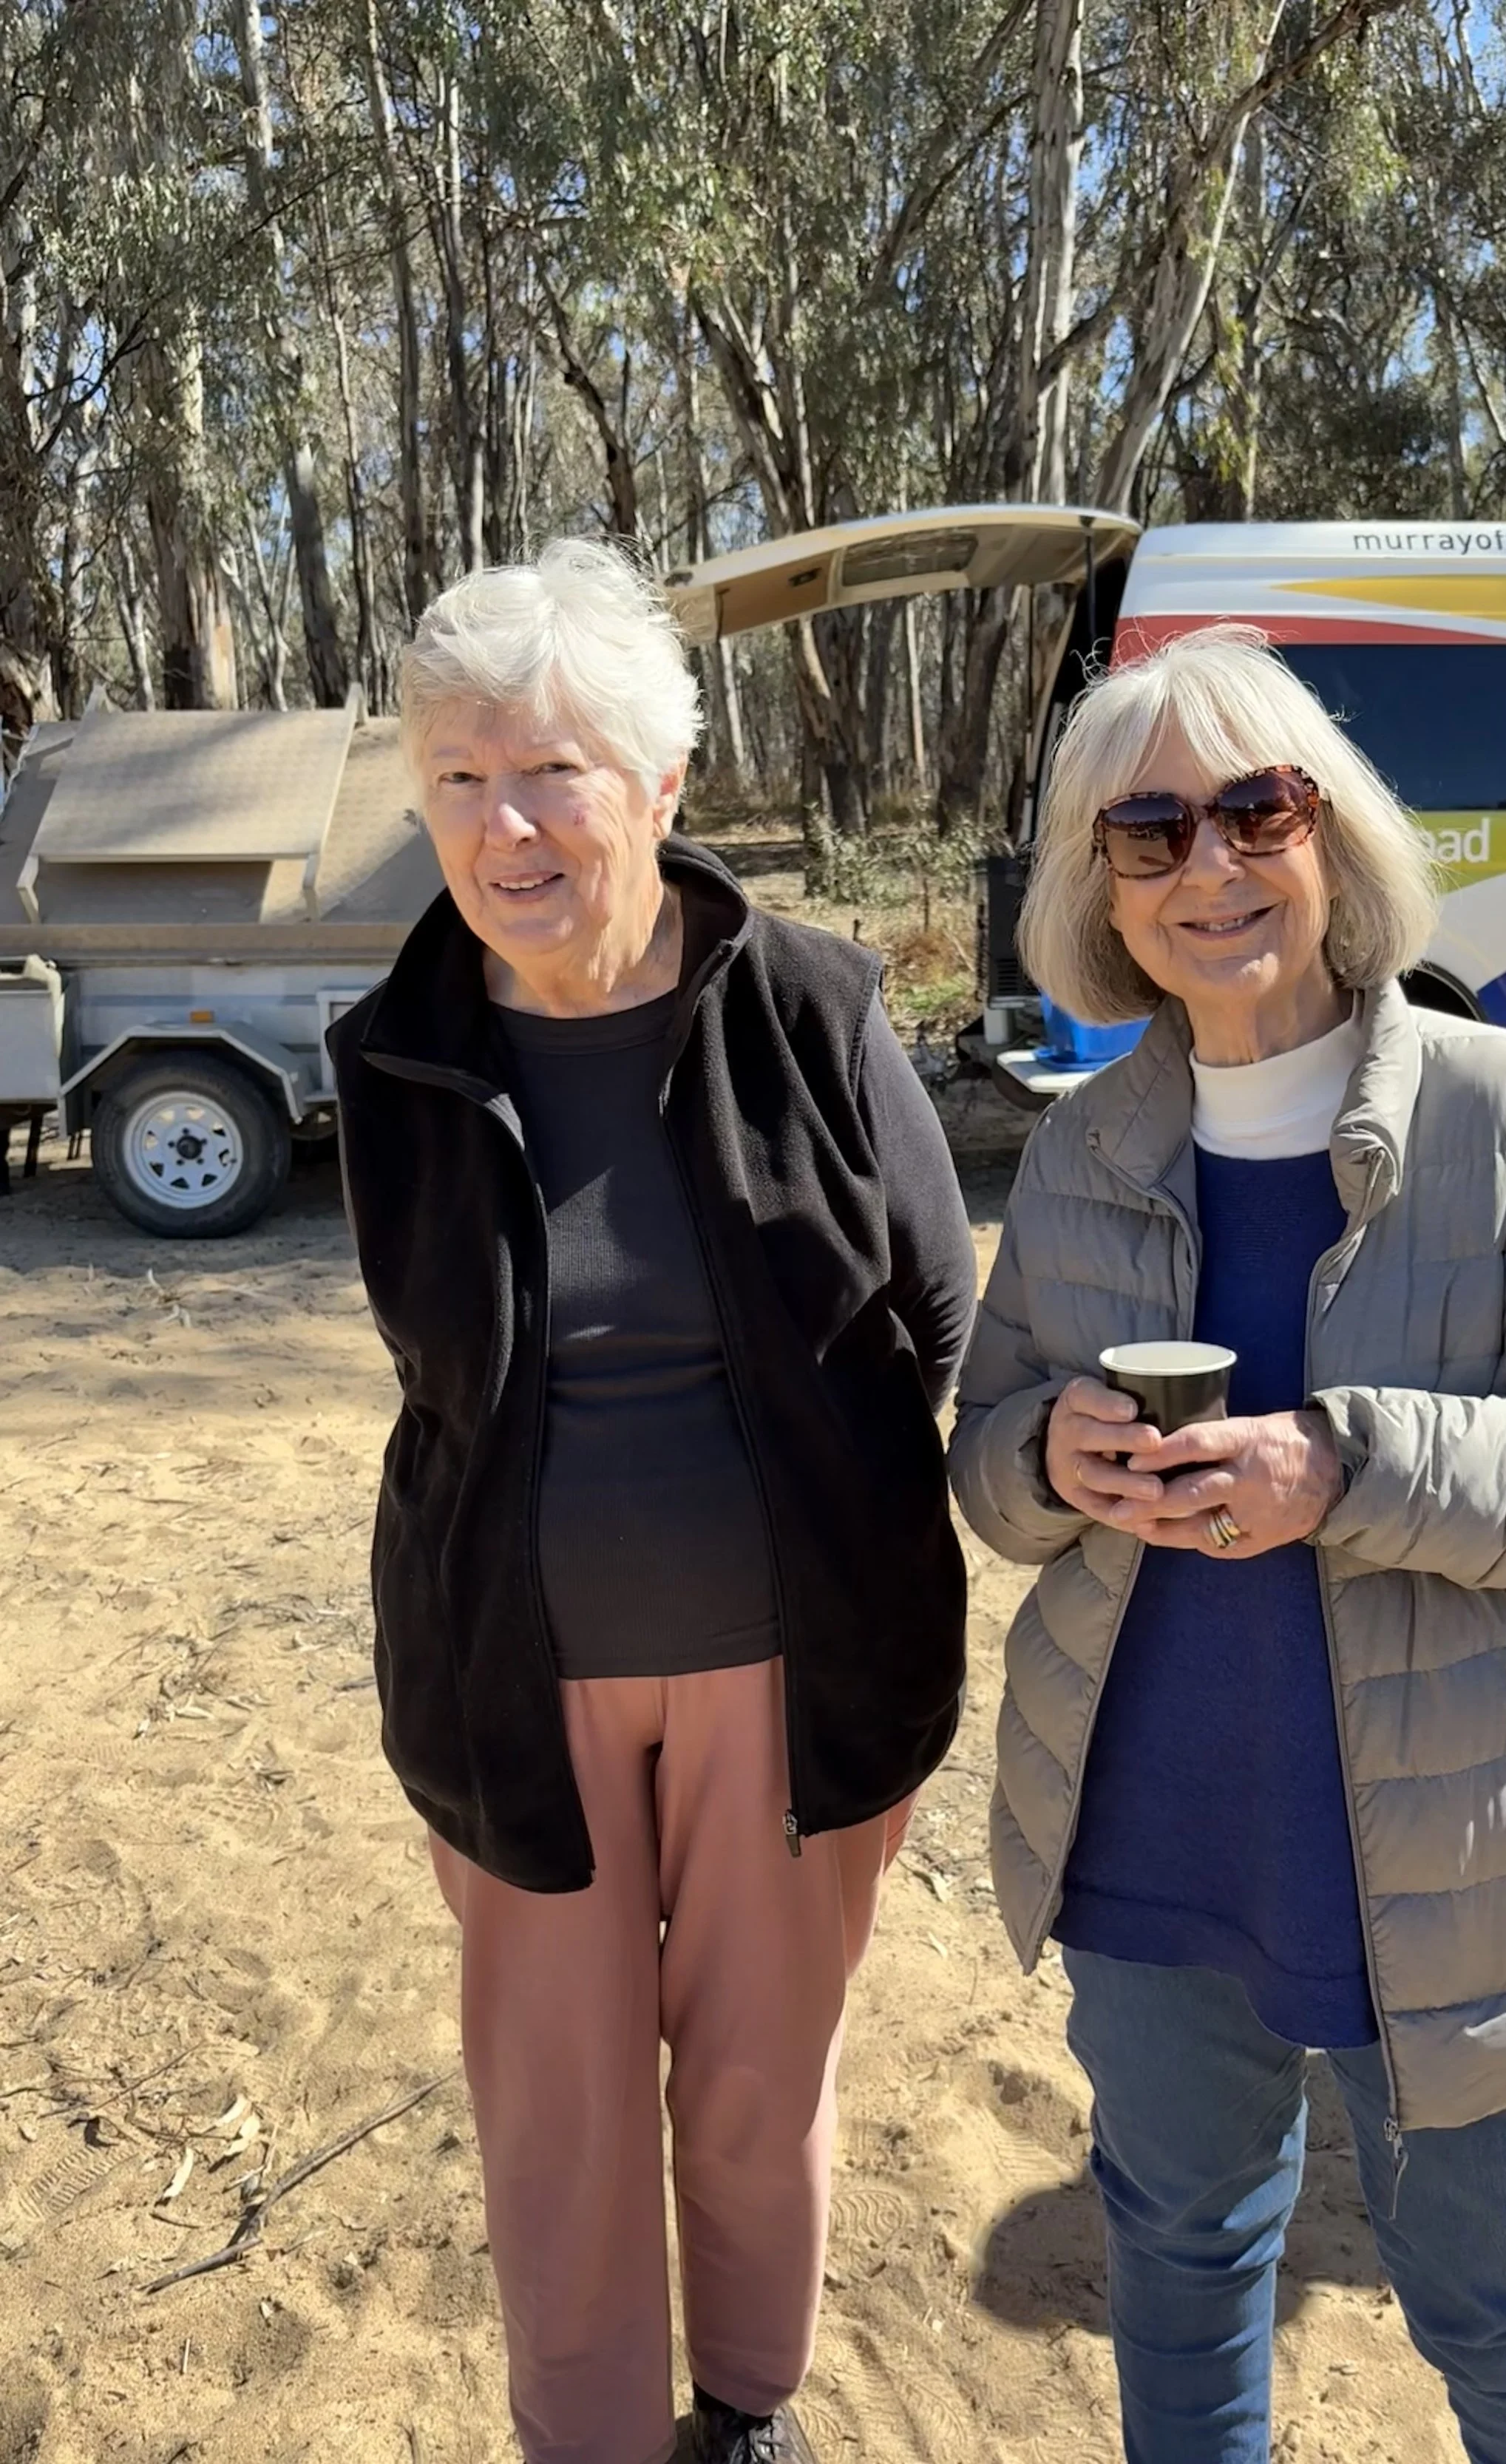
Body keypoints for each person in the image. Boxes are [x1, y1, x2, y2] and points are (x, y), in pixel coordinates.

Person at [949, 624, 1506, 2464]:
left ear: (1335, 836)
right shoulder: (1085, 1151)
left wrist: (1351, 1465)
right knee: (1172, 2256)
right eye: (1145, 835)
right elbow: (980, 1470)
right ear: (1098, 887)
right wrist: (1044, 1457)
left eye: (1256, 808)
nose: (1207, 867)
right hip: (1146, 1847)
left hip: (1460, 1863)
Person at [328, 540, 976, 2464]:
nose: (503, 821)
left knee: (761, 2080)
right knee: (561, 2098)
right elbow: (437, 1381)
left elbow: (929, 1303)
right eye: (457, 776)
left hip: (796, 1664)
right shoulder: (398, 1053)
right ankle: (590, 2431)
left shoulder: (811, 1002)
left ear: (659, 785)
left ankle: (750, 2405)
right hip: (511, 1681)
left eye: (550, 770)